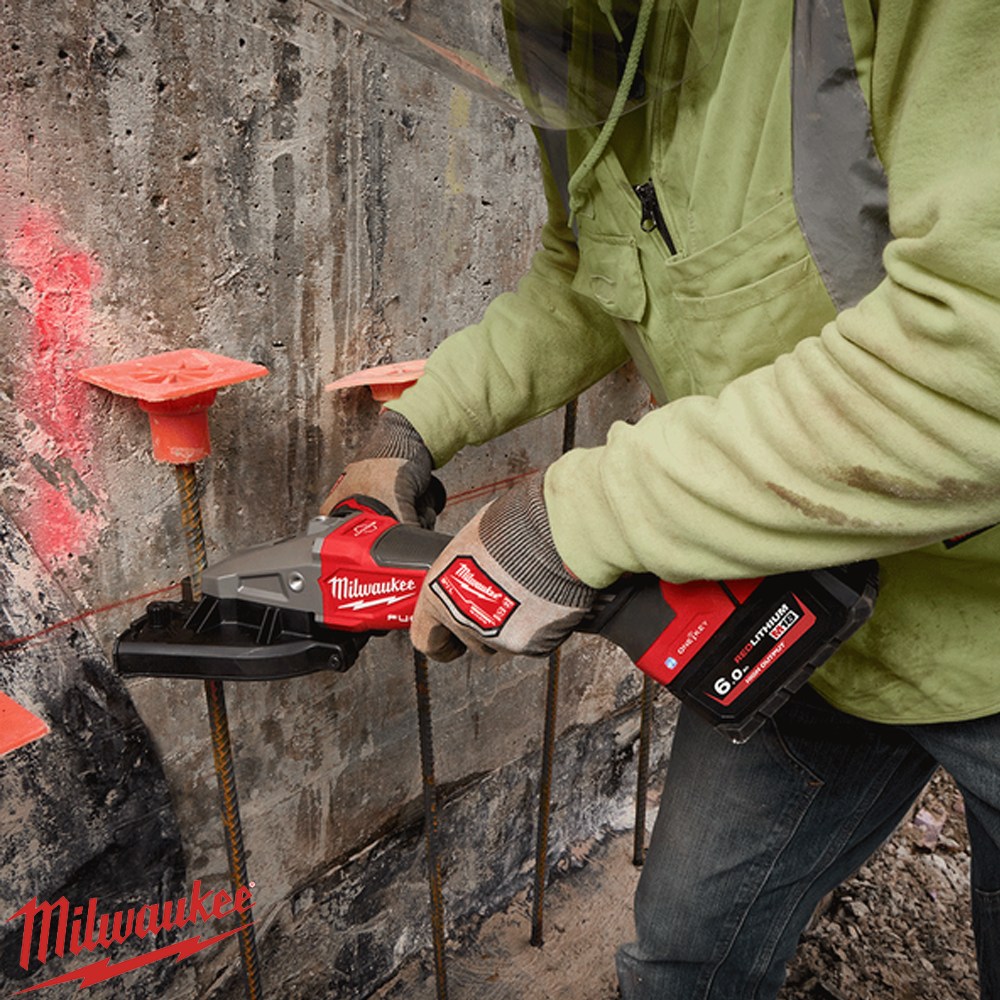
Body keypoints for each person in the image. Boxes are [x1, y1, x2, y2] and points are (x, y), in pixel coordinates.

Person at [324, 1, 1000, 995]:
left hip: (985, 608)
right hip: (801, 613)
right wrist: (419, 424)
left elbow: (976, 358)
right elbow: (587, 275)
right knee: (683, 959)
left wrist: (578, 520)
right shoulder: (564, 27)